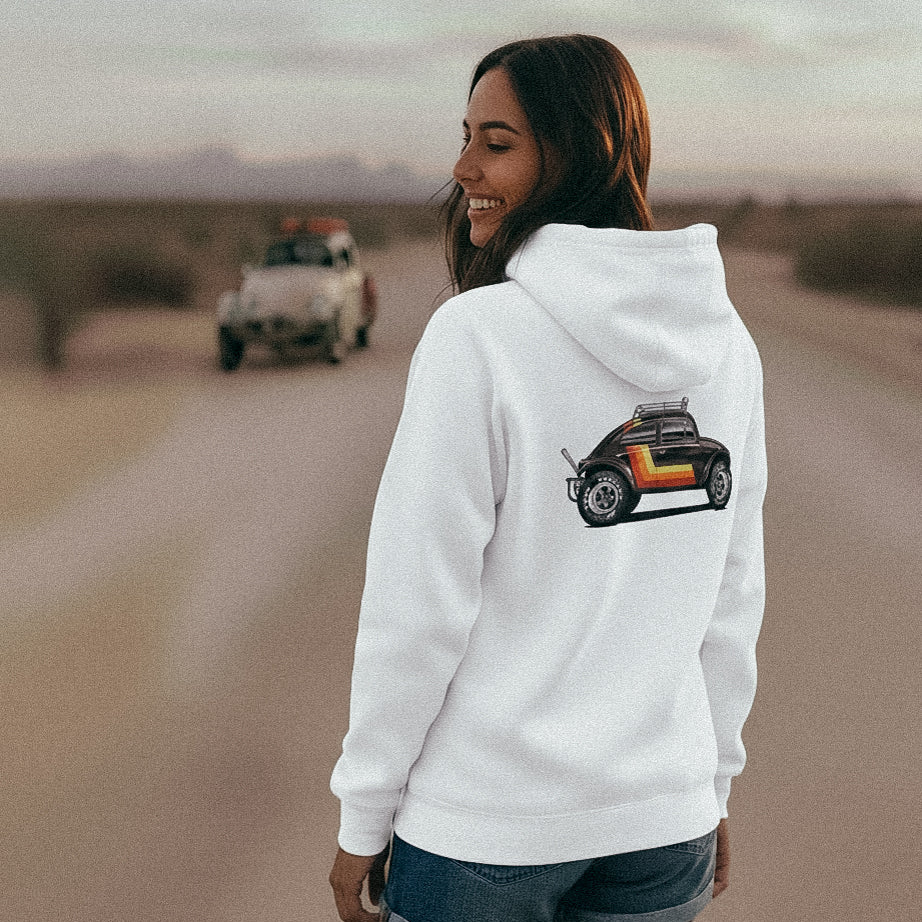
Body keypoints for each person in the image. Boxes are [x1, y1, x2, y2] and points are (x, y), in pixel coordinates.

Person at [329, 34, 766, 922]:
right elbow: (732, 593)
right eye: (466, 138)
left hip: (486, 835)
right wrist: (710, 779)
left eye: (497, 143)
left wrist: (362, 816)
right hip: (661, 823)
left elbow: (417, 607)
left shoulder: (477, 337)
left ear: (581, 151)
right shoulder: (727, 343)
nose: (462, 170)